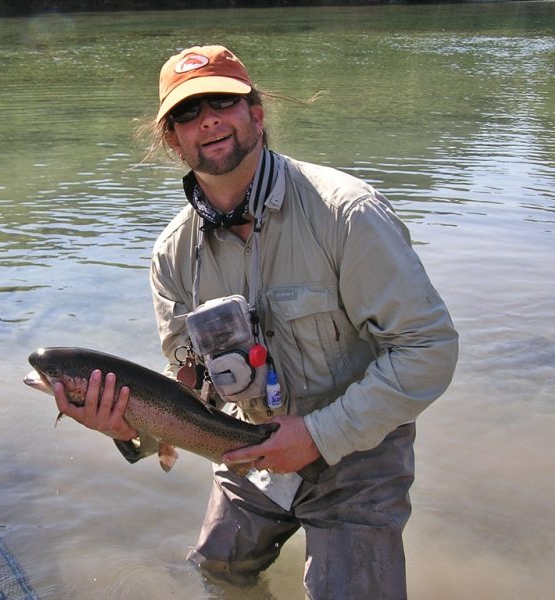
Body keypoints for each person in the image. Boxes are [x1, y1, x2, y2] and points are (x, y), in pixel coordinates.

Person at [53, 45, 459, 598]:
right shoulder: (172, 256)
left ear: (257, 113)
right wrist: (130, 429)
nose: (208, 120)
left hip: (359, 454)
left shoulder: (346, 214)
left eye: (222, 101)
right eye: (187, 113)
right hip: (248, 447)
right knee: (216, 575)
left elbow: (429, 350)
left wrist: (318, 434)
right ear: (172, 140)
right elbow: (193, 390)